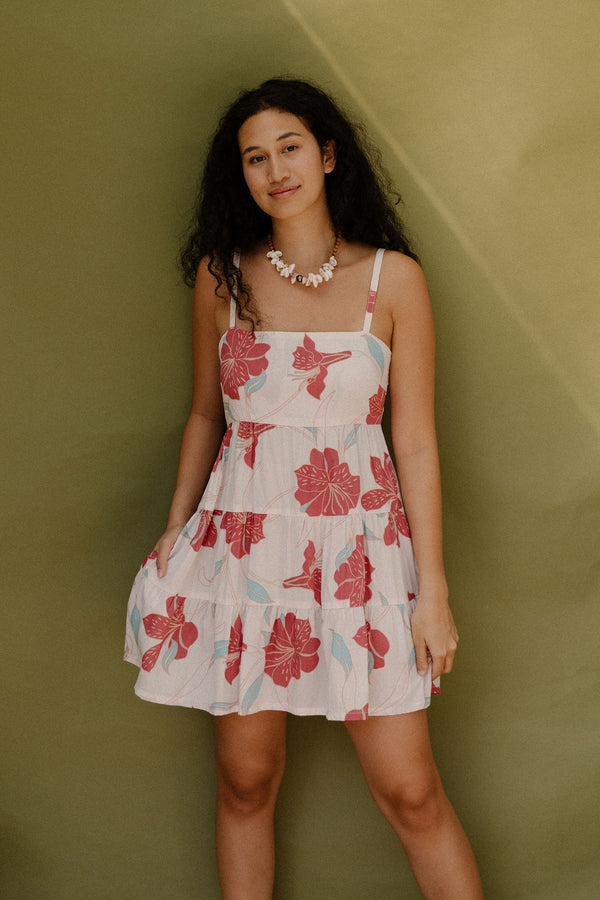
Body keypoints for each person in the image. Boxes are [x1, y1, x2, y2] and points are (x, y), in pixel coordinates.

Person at [124, 77, 483, 899]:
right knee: (246, 783)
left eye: (289, 147)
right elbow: (204, 417)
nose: (274, 169)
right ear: (241, 176)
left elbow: (416, 443)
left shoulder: (395, 281)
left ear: (326, 154)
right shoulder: (224, 278)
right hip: (244, 552)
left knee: (411, 790)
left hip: (361, 559)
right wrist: (176, 531)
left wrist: (433, 592)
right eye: (255, 157)